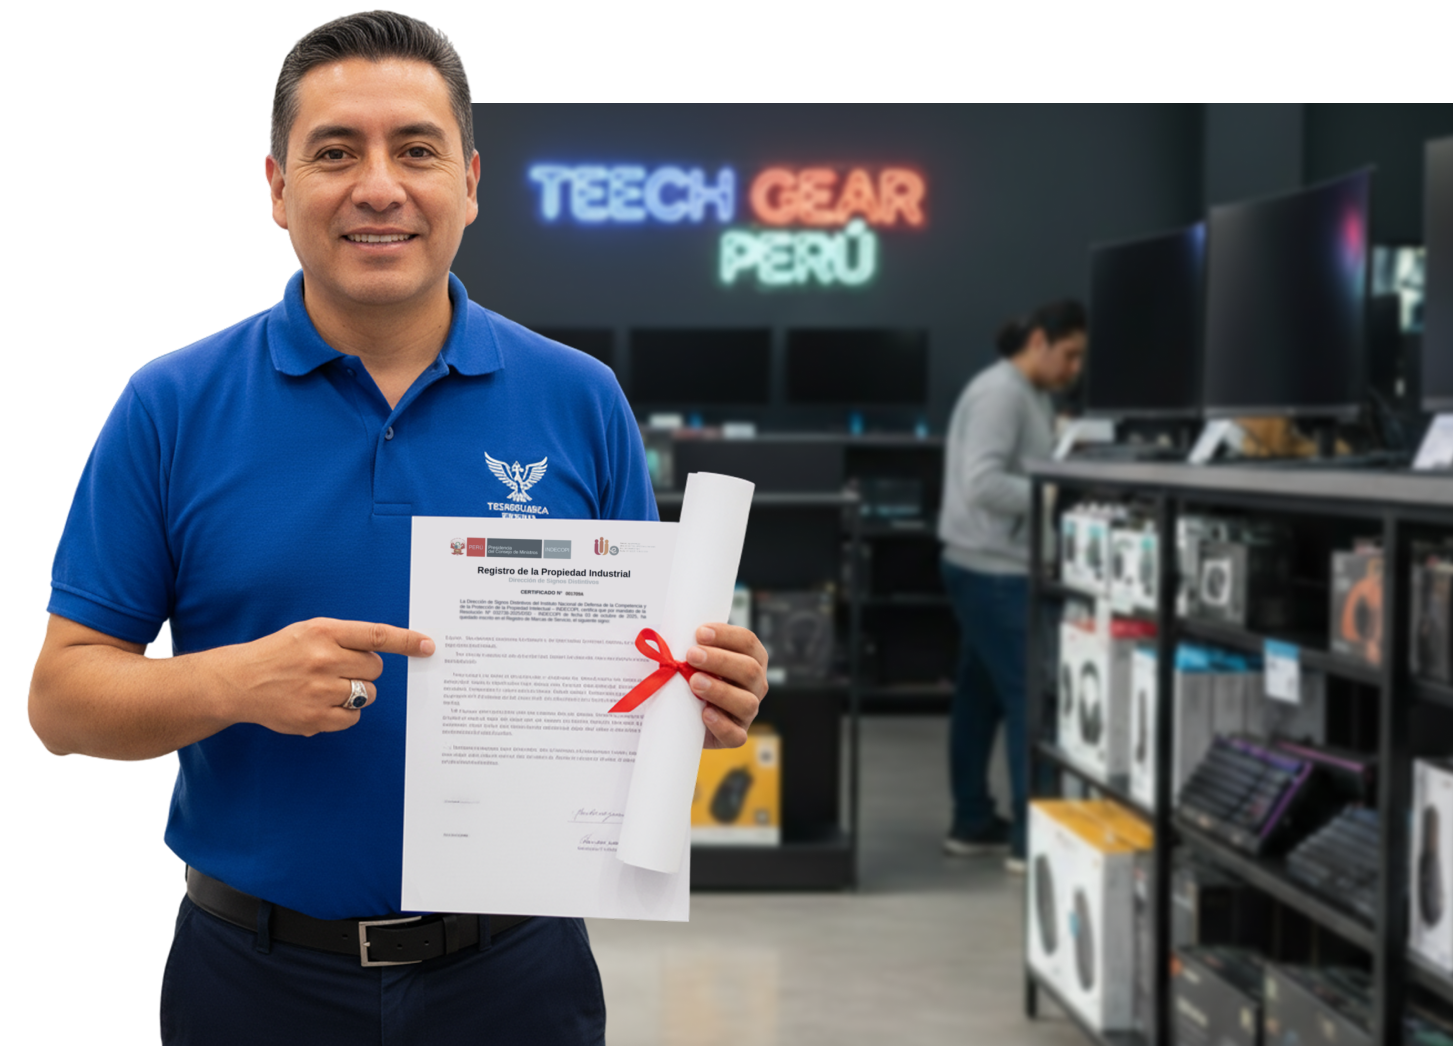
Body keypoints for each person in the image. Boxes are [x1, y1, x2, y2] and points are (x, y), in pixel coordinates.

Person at [27, 12, 767, 1044]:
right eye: (336, 152)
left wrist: (704, 693)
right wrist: (236, 682)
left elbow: (635, 683)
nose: (380, 185)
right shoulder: (169, 403)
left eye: (415, 149)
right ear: (279, 187)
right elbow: (61, 700)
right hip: (251, 979)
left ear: (467, 181)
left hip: (517, 975)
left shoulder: (580, 399)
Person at [937, 300, 1086, 872]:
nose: (1074, 369)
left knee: (980, 699)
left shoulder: (1032, 395)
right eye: (1069, 354)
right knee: (1030, 698)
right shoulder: (1001, 394)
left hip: (991, 565)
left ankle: (972, 824)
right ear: (1040, 341)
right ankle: (1032, 843)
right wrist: (1052, 492)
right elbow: (983, 483)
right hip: (991, 570)